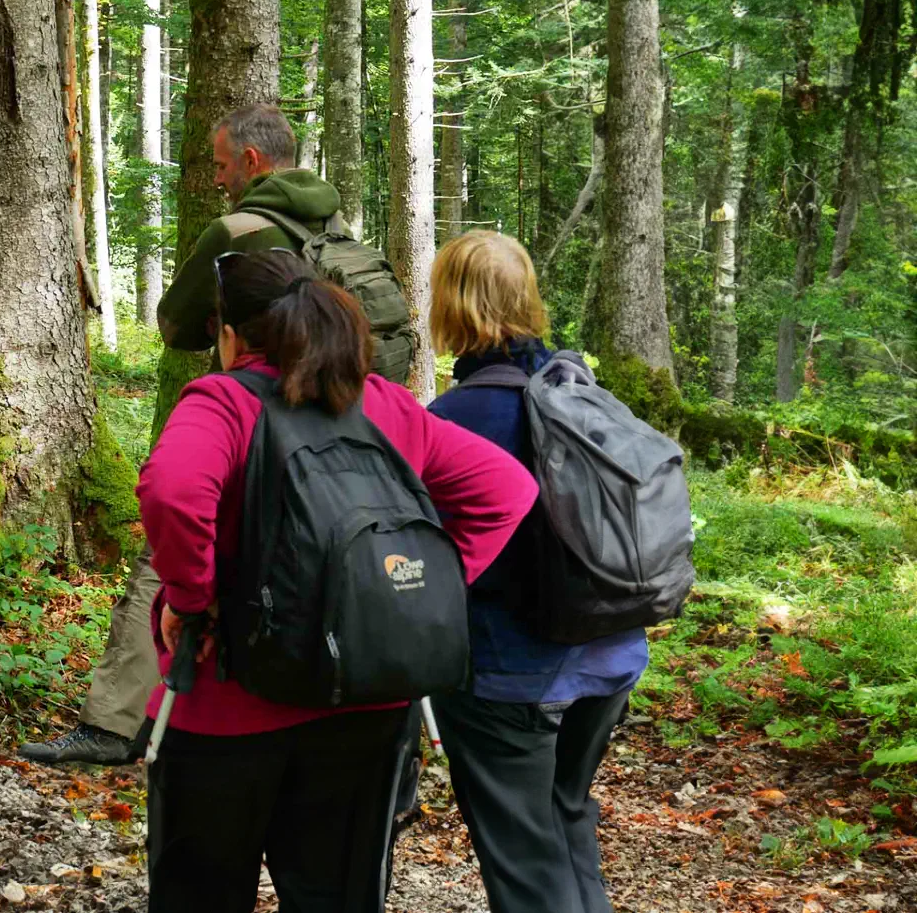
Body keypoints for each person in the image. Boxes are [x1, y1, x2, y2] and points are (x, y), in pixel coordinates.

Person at [139, 247, 536, 912]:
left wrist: (192, 599)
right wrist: (416, 595)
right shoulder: (384, 405)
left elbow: (174, 490)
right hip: (364, 707)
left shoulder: (225, 402)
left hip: (225, 707)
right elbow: (506, 489)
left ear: (230, 334)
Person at [21, 103, 348, 765]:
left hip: (254, 419)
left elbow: (174, 322)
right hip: (341, 428)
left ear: (253, 162)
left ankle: (114, 724)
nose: (220, 178)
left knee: (161, 563)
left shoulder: (239, 228)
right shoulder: (338, 228)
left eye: (224, 165)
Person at [424, 231, 649, 913]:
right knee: (565, 822)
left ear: (451, 307)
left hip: (511, 675)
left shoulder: (453, 419)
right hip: (609, 654)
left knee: (525, 863)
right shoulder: (584, 395)